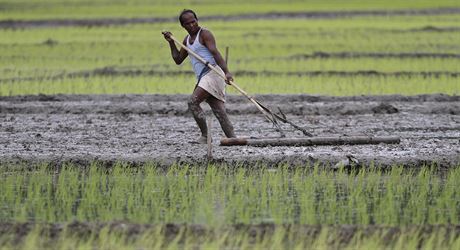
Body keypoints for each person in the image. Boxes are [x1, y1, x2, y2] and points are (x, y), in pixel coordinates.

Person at [162, 9, 236, 144]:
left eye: (193, 21)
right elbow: (178, 59)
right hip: (204, 77)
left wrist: (227, 72)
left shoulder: (205, 34)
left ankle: (205, 136)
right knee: (219, 111)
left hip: (212, 73)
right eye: (188, 23)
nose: (192, 25)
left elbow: (215, 53)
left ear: (197, 20)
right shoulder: (187, 40)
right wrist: (171, 42)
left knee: (193, 102)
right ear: (183, 26)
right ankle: (233, 139)